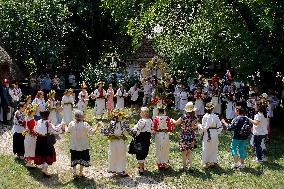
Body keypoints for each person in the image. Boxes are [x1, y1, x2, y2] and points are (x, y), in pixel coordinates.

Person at [64, 110, 101, 178]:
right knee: (82, 159)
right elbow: (92, 132)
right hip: (83, 146)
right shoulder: (85, 124)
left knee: (74, 158)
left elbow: (67, 131)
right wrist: (97, 126)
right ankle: (80, 173)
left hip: (74, 145)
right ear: (82, 117)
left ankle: (74, 172)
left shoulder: (71, 123)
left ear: (75, 117)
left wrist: (65, 125)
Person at [101, 109, 131, 177]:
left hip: (113, 142)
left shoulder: (112, 123)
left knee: (113, 155)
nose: (122, 117)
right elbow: (128, 132)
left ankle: (113, 169)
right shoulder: (123, 123)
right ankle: (120, 170)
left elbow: (106, 132)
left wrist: (102, 127)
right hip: (120, 141)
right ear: (119, 116)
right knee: (120, 155)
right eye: (121, 116)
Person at [34, 110, 63, 177]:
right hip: (46, 140)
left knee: (41, 153)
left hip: (39, 139)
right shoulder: (48, 122)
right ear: (48, 115)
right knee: (49, 154)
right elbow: (55, 130)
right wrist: (60, 125)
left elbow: (35, 129)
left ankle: (44, 169)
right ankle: (44, 169)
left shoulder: (38, 121)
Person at [172, 102, 198, 170]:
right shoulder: (195, 118)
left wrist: (172, 120)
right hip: (191, 136)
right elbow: (195, 127)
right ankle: (190, 167)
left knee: (184, 152)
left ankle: (184, 167)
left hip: (184, 136)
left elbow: (176, 123)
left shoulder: (183, 117)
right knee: (189, 152)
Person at [199, 102, 223, 168]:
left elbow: (204, 128)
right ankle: (213, 161)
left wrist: (199, 126)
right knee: (214, 147)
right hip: (214, 132)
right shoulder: (216, 116)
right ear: (213, 109)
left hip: (207, 133)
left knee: (206, 147)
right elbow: (220, 127)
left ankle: (205, 162)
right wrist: (216, 132)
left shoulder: (205, 116)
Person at [131, 107, 152, 175]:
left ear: (142, 114)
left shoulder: (142, 121)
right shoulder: (150, 120)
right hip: (147, 138)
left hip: (141, 138)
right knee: (144, 152)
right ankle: (141, 166)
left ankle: (141, 169)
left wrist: (133, 132)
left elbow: (137, 129)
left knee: (139, 152)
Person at [152, 105, 174, 170]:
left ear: (158, 111)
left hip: (158, 134)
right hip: (165, 134)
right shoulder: (167, 118)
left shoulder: (156, 118)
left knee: (159, 148)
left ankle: (159, 163)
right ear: (164, 111)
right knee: (165, 148)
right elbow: (170, 128)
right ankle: (164, 163)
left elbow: (154, 128)